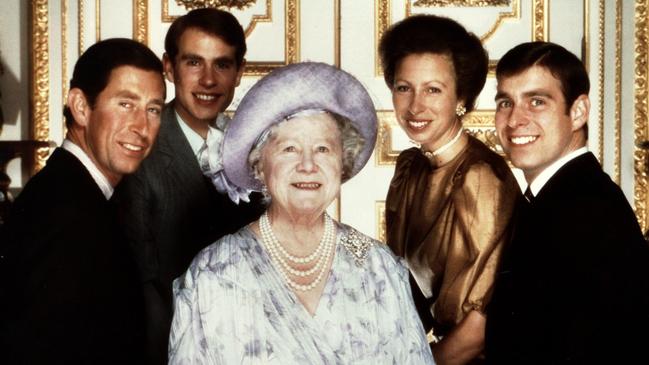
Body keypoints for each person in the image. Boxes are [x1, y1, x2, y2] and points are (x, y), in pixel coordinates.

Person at [168, 62, 434, 364]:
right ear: (259, 165)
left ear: (342, 163)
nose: (308, 165)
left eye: (323, 149)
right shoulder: (214, 272)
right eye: (290, 149)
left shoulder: (378, 267)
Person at [113, 8, 264, 364]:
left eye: (222, 65)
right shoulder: (138, 151)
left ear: (240, 72)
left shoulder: (259, 148)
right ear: (169, 68)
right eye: (194, 63)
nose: (208, 80)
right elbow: (141, 285)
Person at [0, 38, 165, 363]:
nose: (141, 127)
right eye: (125, 104)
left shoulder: (79, 193)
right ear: (80, 107)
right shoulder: (65, 211)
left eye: (153, 109)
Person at [486, 41, 649, 364]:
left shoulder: (586, 210)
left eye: (536, 101)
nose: (515, 119)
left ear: (578, 112)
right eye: (506, 102)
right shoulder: (555, 197)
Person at [378, 15, 519, 364]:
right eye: (404, 87)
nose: (415, 106)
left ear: (462, 97)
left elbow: (478, 328)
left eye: (433, 89)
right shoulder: (409, 169)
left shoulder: (481, 178)